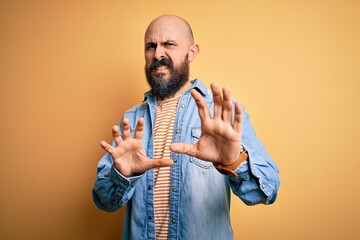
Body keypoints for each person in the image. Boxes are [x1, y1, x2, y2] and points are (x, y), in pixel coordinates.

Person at [92, 14, 280, 240]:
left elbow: (266, 191)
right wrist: (121, 175)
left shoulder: (221, 113)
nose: (158, 54)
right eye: (150, 46)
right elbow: (104, 201)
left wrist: (234, 162)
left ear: (192, 53)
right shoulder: (131, 120)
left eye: (168, 44)